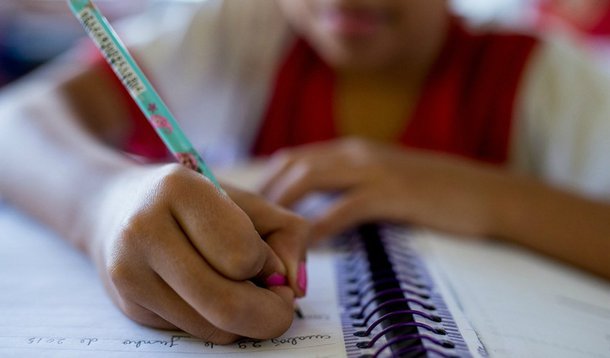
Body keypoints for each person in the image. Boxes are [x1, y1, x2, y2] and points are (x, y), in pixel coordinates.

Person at [0, 0, 609, 344]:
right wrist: (101, 204)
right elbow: (15, 125)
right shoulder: (236, 28)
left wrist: (482, 196)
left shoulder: (540, 75)